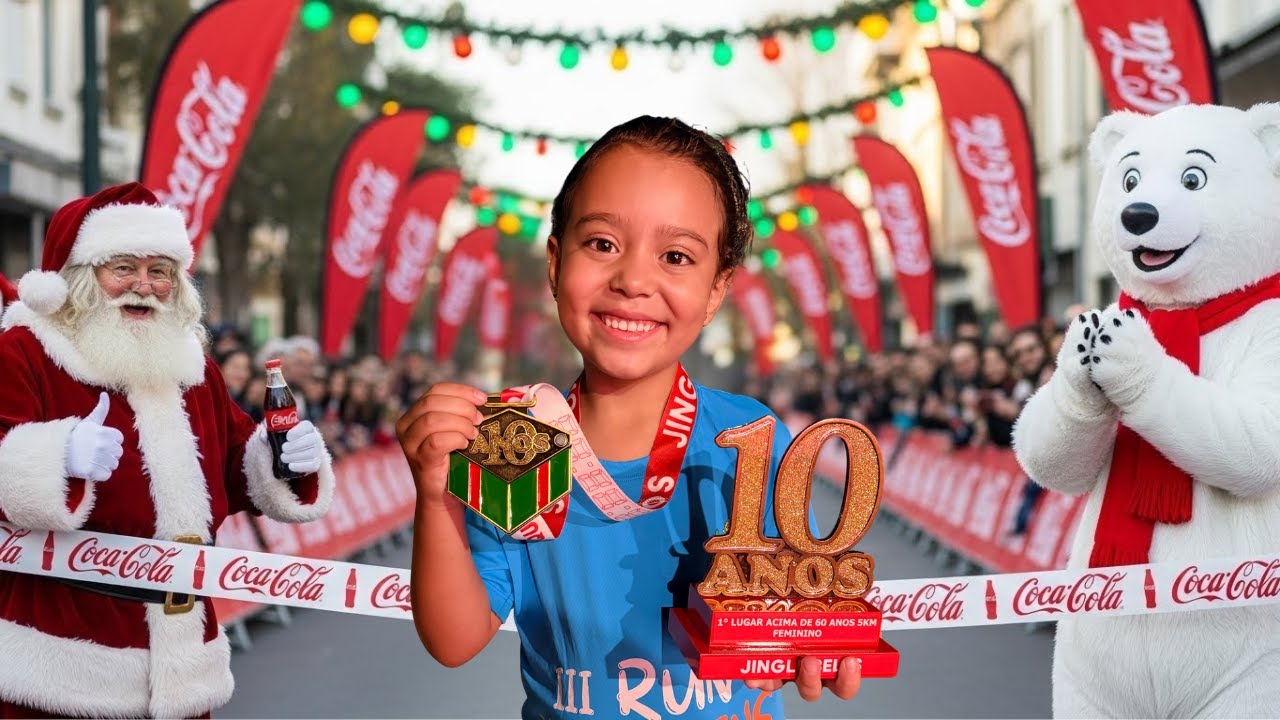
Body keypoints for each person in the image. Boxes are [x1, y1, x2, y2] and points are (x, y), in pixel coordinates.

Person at [397, 116, 862, 719]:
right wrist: (435, 499)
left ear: (717, 289)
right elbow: (455, 641)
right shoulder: (513, 444)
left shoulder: (751, 440)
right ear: (556, 262)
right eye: (602, 244)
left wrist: (814, 646)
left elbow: (800, 606)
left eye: (676, 256)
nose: (634, 280)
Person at [0, 182, 336, 719]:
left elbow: (233, 464)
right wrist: (54, 457)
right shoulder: (25, 351)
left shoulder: (190, 365)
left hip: (182, 653)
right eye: (124, 268)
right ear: (83, 276)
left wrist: (281, 459)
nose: (144, 285)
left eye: (160, 270)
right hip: (61, 658)